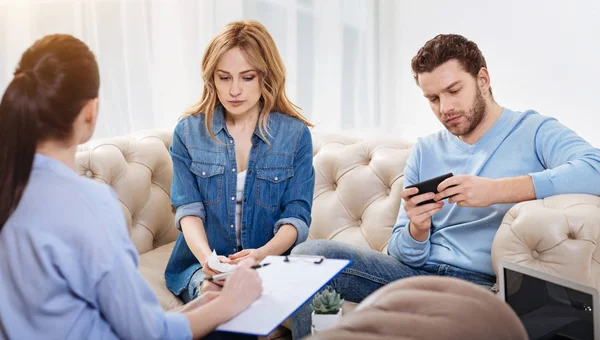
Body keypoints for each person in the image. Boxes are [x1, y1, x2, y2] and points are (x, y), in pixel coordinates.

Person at [290, 33, 600, 338]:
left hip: (479, 285)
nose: (444, 108)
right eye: (433, 99)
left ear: (483, 79)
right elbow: (403, 251)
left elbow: (594, 168)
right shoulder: (427, 149)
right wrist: (417, 229)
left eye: (453, 91)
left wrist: (496, 190)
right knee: (310, 256)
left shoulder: (534, 131)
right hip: (412, 276)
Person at [0, 34, 262, 340]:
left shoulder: (11, 186)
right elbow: (148, 334)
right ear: (90, 110)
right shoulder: (88, 203)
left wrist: (206, 303)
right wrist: (231, 303)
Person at [165, 20, 315, 303]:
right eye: (224, 77)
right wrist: (210, 261)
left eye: (247, 78)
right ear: (212, 79)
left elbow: (297, 216)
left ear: (266, 77)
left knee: (266, 299)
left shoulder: (295, 136)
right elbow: (189, 210)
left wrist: (260, 255)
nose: (234, 90)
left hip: (270, 261)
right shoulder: (187, 132)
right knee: (215, 296)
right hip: (202, 264)